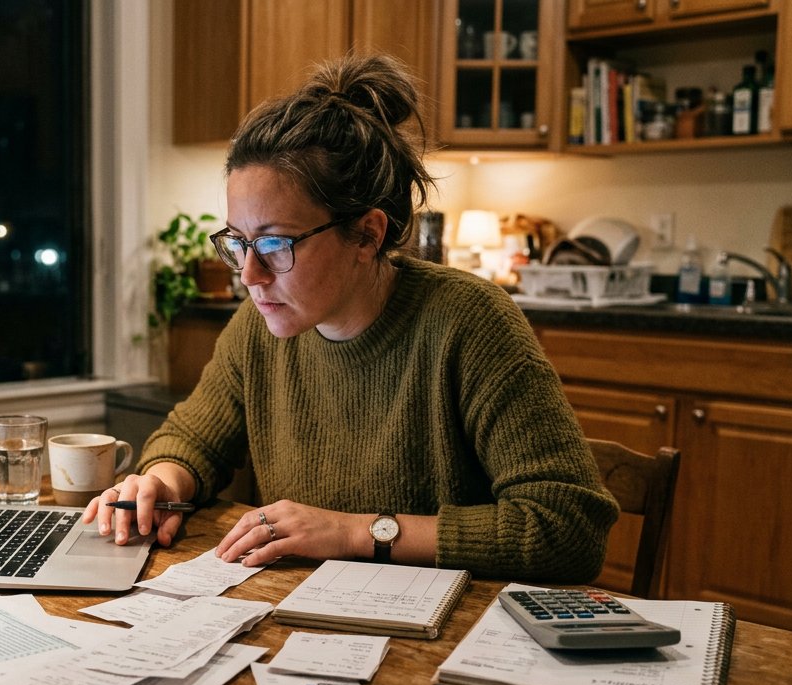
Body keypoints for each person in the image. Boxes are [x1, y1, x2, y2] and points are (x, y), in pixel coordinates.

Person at [82, 53, 617, 583]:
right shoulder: (261, 325)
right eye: (239, 243)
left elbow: (566, 529)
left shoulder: (469, 323)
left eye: (274, 243)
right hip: (301, 621)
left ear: (367, 234)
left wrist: (356, 532)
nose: (249, 274)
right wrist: (160, 482)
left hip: (446, 638)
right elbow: (192, 440)